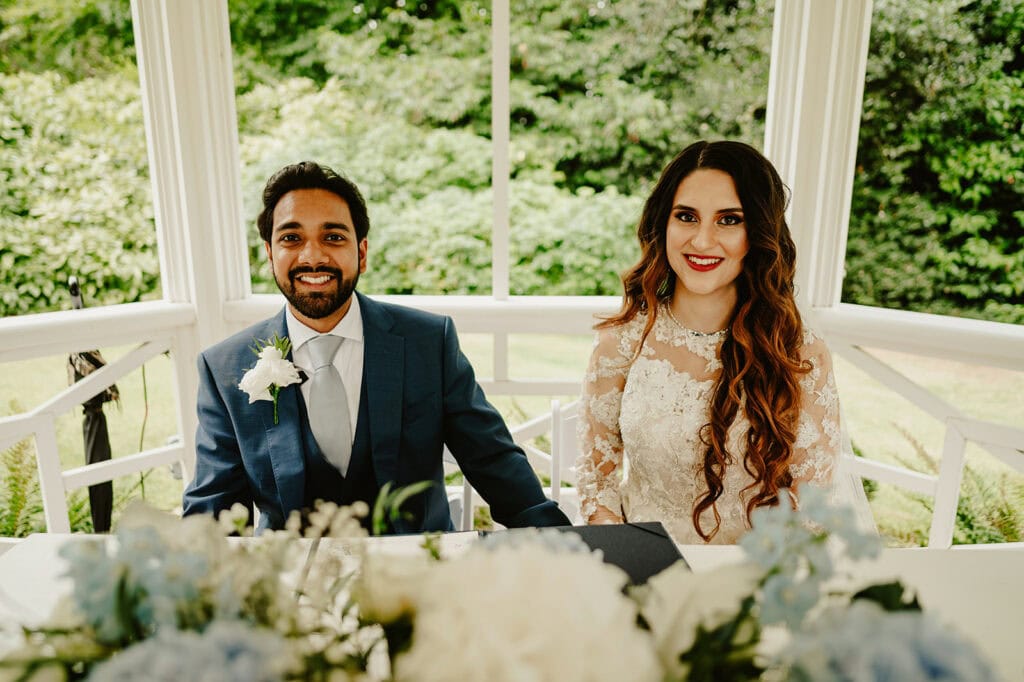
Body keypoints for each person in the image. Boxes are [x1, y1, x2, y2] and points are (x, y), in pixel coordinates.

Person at [183, 161, 570, 533]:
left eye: (333, 237)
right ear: (270, 253)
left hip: (416, 574)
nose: (313, 256)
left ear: (362, 253)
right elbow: (212, 518)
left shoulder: (428, 343)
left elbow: (494, 462)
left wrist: (569, 554)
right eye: (291, 238)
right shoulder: (224, 368)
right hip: (291, 582)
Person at [576, 141, 840, 544]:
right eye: (686, 216)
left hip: (753, 584)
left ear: (758, 232)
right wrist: (631, 559)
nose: (702, 240)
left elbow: (811, 509)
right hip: (647, 575)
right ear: (663, 223)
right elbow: (599, 484)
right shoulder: (621, 343)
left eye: (728, 220)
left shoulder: (799, 352)